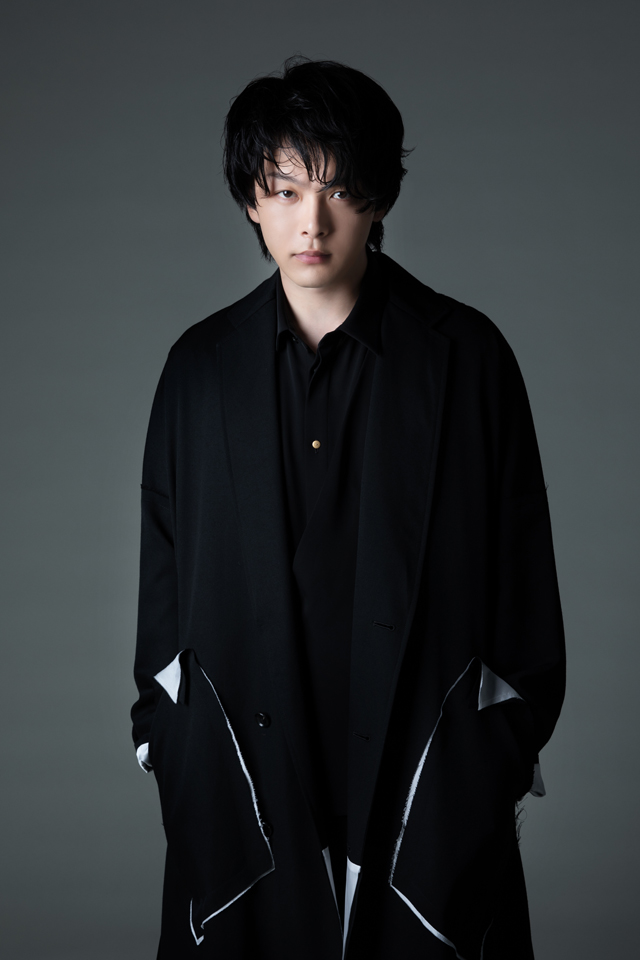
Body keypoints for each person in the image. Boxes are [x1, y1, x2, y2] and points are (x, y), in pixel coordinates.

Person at [131, 56, 565, 960]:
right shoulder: (198, 372)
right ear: (251, 202)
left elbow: (525, 594)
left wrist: (488, 762)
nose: (312, 222)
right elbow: (163, 603)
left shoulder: (468, 359)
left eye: (338, 190)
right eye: (286, 191)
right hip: (246, 786)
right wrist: (173, 744)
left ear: (378, 198)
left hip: (424, 788)